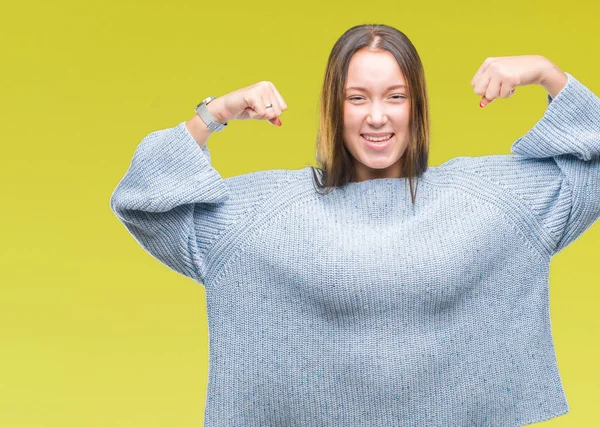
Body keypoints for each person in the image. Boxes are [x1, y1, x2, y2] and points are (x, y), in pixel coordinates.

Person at [109, 23, 600, 426]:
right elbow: (143, 200)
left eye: (396, 96)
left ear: (417, 107)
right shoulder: (266, 214)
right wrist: (215, 113)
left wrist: (546, 73)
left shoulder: (484, 199)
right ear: (333, 107)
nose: (378, 117)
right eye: (357, 98)